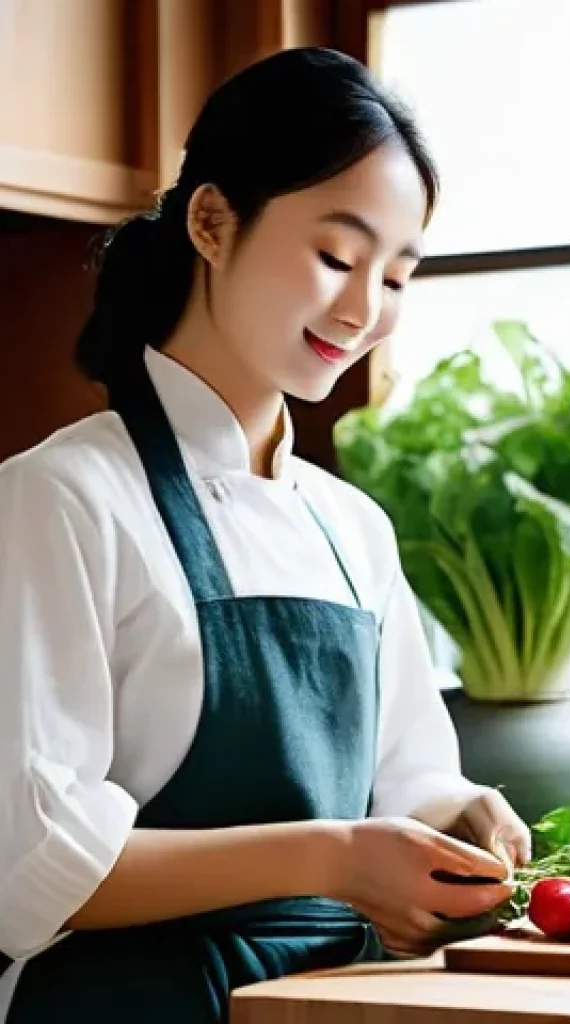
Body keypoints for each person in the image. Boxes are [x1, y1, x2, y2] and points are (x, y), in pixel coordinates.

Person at [0, 47, 530, 1023]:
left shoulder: (352, 528)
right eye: (336, 255)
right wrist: (333, 855)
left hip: (339, 1000)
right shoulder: (60, 499)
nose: (364, 309)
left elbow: (408, 777)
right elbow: (36, 868)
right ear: (211, 221)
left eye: (397, 275)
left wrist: (461, 818)